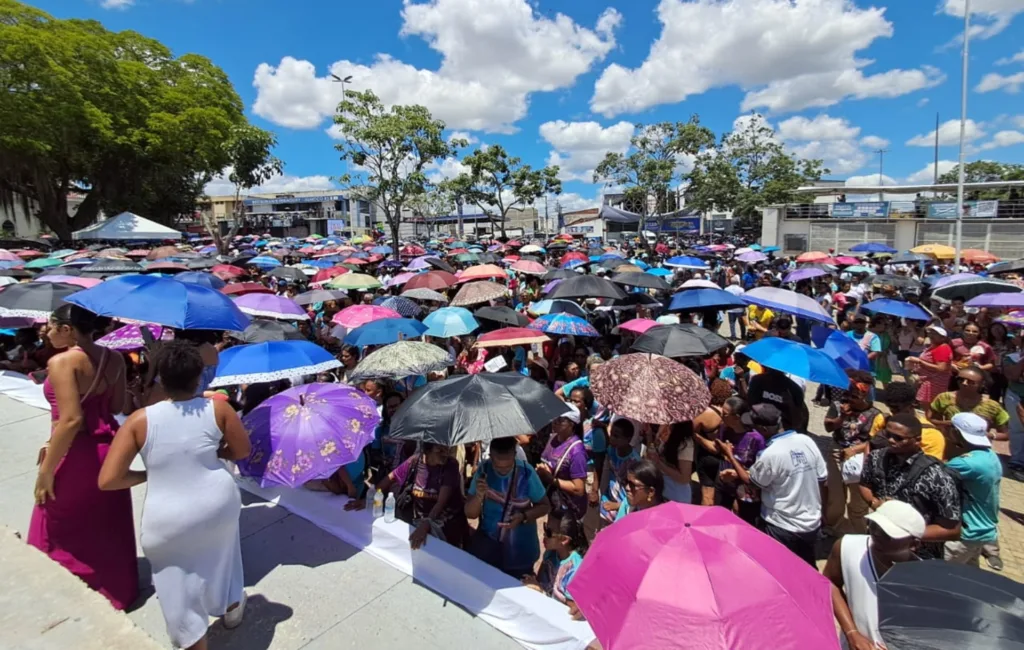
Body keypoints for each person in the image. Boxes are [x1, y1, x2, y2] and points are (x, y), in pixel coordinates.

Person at [99, 340, 251, 649]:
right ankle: (232, 607)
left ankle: (193, 638)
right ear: (199, 376)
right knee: (224, 556)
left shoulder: (140, 420)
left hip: (166, 513)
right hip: (217, 502)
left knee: (175, 585)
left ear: (160, 379)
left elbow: (109, 479)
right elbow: (242, 450)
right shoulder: (218, 408)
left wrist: (149, 473)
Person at [28, 304, 138, 611]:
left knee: (54, 523)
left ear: (68, 329)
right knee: (106, 522)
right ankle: (114, 589)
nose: (46, 332)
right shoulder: (114, 358)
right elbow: (117, 403)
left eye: (51, 327)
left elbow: (71, 419)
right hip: (108, 447)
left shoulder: (62, 361)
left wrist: (46, 470)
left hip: (76, 452)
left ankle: (60, 593)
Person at [720, 404, 827, 566]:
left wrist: (730, 455)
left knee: (776, 568)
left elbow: (752, 483)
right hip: (811, 524)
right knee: (807, 569)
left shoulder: (770, 454)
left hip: (780, 525)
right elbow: (822, 480)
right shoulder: (807, 441)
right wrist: (822, 512)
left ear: (763, 428)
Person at [823, 500, 926, 650]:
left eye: (888, 533)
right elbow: (829, 583)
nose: (876, 533)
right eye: (874, 525)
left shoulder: (925, 581)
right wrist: (852, 633)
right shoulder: (847, 548)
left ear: (914, 544)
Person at [858, 413, 962, 560]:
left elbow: (952, 530)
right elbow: (864, 484)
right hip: (877, 546)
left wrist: (904, 534)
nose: (890, 440)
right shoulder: (876, 458)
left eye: (899, 438)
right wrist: (875, 504)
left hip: (916, 556)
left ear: (917, 440)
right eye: (888, 434)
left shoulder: (936, 476)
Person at [466, 437, 551, 578]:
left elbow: (544, 506)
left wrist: (523, 517)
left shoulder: (527, 473)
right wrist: (479, 496)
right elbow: (470, 514)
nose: (503, 471)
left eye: (508, 466)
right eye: (498, 466)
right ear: (490, 456)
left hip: (521, 550)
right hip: (488, 547)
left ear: (515, 455)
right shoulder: (483, 471)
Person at [371, 442, 468, 549]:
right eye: (440, 451)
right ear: (427, 451)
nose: (445, 453)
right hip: (418, 520)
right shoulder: (415, 461)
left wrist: (426, 524)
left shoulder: (451, 466)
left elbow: (441, 503)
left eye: (446, 449)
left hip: (444, 525)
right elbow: (391, 477)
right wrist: (372, 496)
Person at [823, 376, 884, 535]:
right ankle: (834, 528)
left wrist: (856, 449)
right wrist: (842, 416)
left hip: (860, 460)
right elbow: (828, 427)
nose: (850, 399)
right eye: (849, 394)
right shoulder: (838, 406)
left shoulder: (875, 415)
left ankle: (859, 532)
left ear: (865, 396)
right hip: (837, 453)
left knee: (858, 501)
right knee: (835, 498)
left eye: (855, 397)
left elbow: (876, 441)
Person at [944, 413, 1002, 567]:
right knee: (966, 577)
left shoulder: (967, 463)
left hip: (965, 535)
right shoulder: (989, 455)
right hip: (982, 531)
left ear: (956, 432)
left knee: (940, 577)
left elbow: (936, 475)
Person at [523, 516, 586, 619]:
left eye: (548, 533)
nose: (544, 535)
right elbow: (540, 579)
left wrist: (541, 592)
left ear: (564, 540)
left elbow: (573, 609)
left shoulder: (574, 569)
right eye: (545, 528)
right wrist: (535, 584)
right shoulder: (551, 553)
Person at [713, 397, 763, 525]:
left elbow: (761, 469)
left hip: (744, 491)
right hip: (723, 483)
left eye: (725, 414)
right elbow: (719, 450)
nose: (721, 415)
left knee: (742, 525)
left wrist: (736, 474)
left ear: (736, 417)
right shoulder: (724, 429)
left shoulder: (755, 439)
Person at [926, 365, 1009, 442]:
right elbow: (929, 419)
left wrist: (988, 435)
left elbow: (1006, 434)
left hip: (978, 449)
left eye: (970, 382)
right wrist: (945, 424)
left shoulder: (992, 406)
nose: (964, 383)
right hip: (951, 446)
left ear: (982, 384)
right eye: (961, 379)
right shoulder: (944, 398)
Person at [537, 404, 588, 525]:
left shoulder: (577, 452)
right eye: (554, 418)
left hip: (569, 509)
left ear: (571, 424)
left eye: (560, 420)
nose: (555, 422)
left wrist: (551, 479)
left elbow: (578, 489)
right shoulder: (553, 438)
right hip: (555, 504)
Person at [879, 382, 945, 460]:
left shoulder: (931, 435)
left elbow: (931, 466)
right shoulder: (882, 420)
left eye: (897, 408)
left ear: (912, 405)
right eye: (890, 408)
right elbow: (869, 445)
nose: (893, 412)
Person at [597, 418, 641, 525]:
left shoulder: (634, 461)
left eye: (616, 436)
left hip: (623, 506)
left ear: (628, 439)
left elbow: (637, 491)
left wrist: (618, 505)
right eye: (611, 434)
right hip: (608, 500)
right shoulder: (612, 450)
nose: (612, 439)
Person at [746, 365, 809, 433]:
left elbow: (750, 403)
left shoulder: (757, 380)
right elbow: (797, 419)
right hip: (761, 428)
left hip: (775, 431)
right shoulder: (795, 389)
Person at [647, 420, 696, 504]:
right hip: (660, 488)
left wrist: (659, 463)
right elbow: (652, 453)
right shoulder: (663, 429)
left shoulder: (686, 443)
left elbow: (684, 478)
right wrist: (649, 435)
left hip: (676, 494)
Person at [905, 325, 953, 406]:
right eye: (931, 333)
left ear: (943, 338)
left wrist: (920, 361)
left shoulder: (942, 348)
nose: (932, 335)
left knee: (930, 408)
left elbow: (941, 368)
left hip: (934, 383)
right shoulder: (933, 346)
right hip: (927, 381)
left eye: (936, 334)